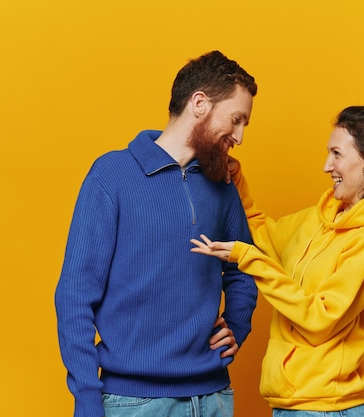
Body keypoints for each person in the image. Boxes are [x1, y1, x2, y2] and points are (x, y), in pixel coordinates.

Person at [191, 105, 364, 417]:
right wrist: (236, 180)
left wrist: (247, 258)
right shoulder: (320, 218)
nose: (326, 166)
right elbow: (262, 235)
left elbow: (320, 320)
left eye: (336, 154)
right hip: (295, 406)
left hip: (327, 409)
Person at [55, 50, 259, 417]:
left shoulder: (221, 183)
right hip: (134, 403)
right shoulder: (111, 175)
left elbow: (245, 264)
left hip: (213, 398)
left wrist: (237, 326)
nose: (240, 136)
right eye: (236, 119)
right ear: (200, 103)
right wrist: (86, 399)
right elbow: (74, 295)